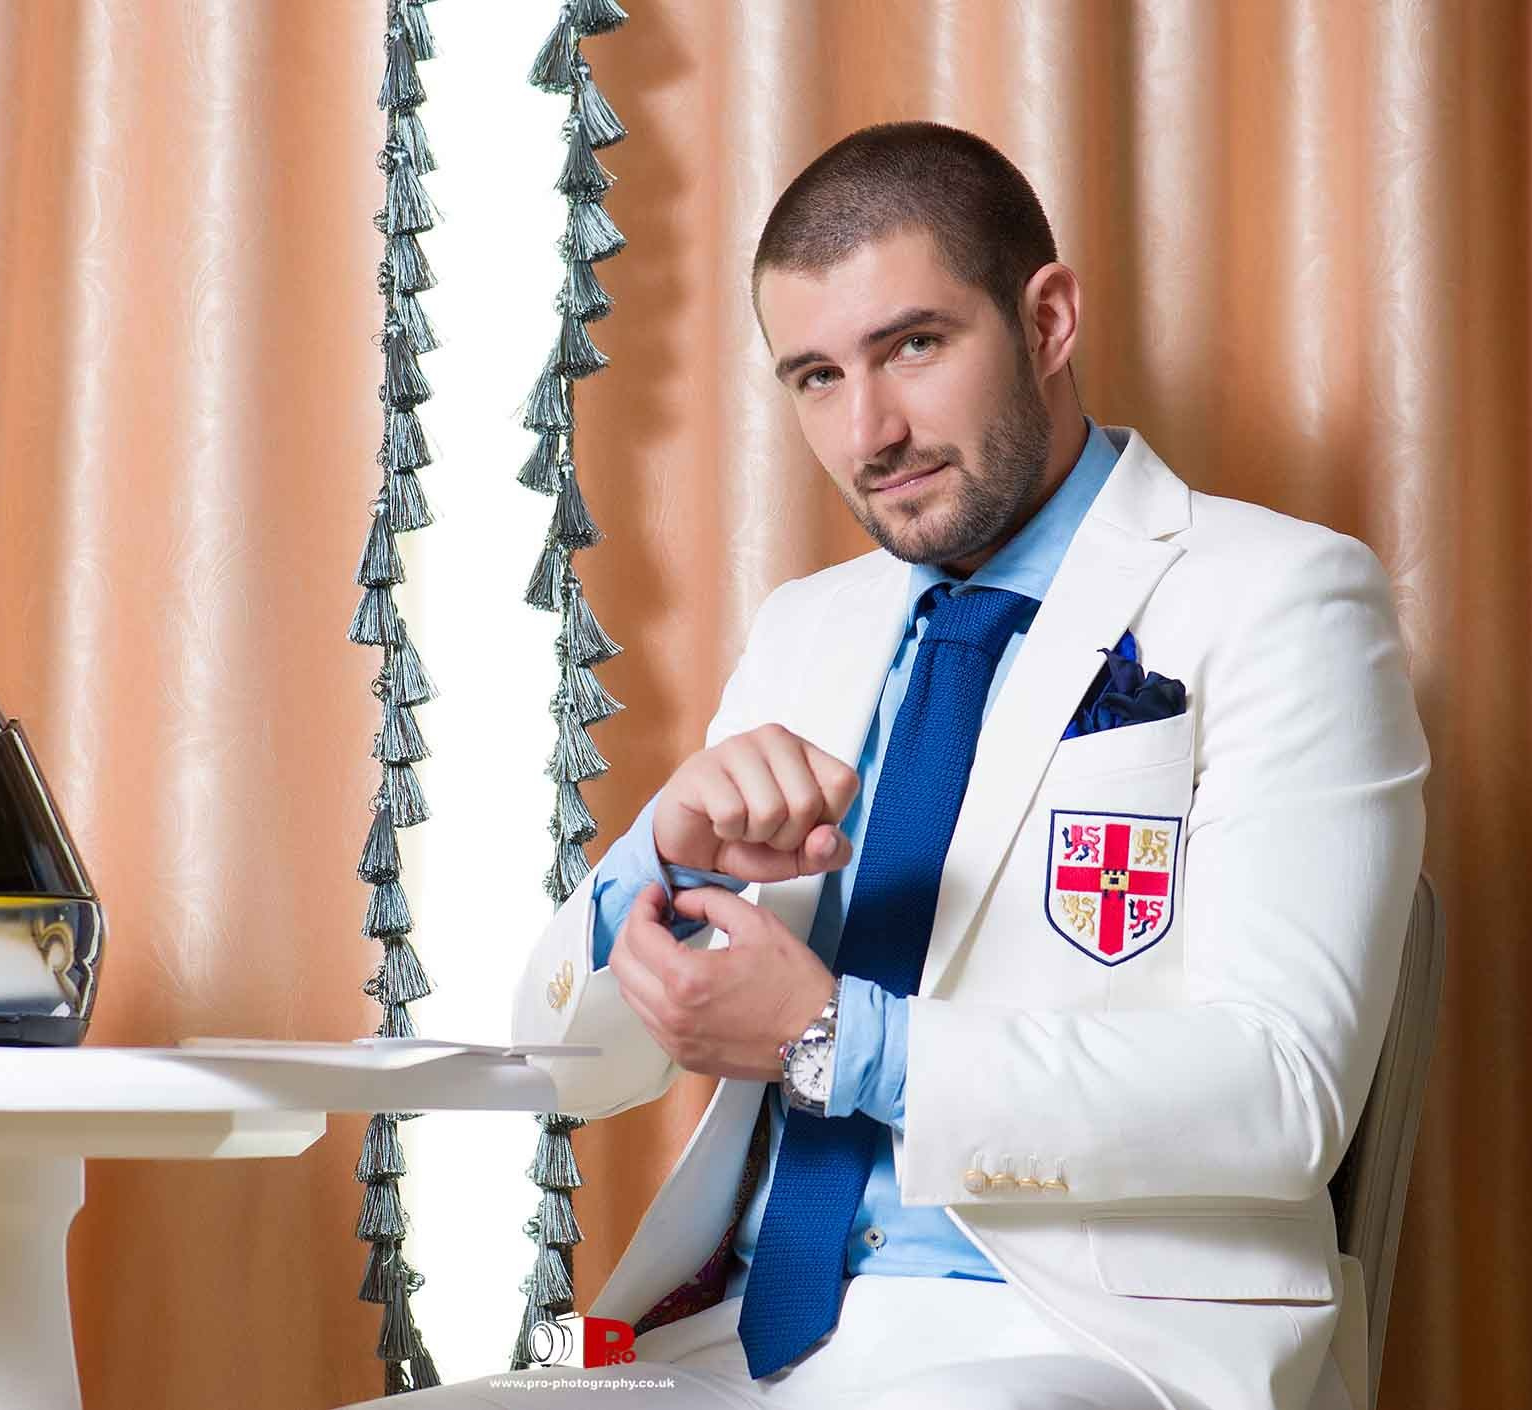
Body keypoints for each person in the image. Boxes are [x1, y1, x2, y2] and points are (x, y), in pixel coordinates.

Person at [346, 121, 1427, 1410]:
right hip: (735, 1339)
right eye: (814, 375)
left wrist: (831, 1039)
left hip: (1075, 1341)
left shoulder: (1283, 597)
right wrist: (660, 856)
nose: (870, 431)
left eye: (914, 345)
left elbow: (1283, 1092)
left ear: (1048, 320)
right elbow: (570, 1065)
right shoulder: (811, 625)